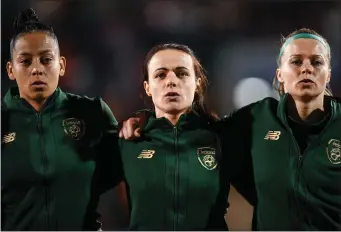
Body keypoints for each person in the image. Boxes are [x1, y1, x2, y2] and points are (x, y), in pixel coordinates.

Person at [120, 28, 341, 230]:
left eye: (316, 62)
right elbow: (189, 126)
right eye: (295, 61)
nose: (306, 68)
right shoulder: (255, 120)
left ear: (329, 74)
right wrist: (147, 120)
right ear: (279, 74)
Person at [1, 8, 124, 230]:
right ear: (11, 69)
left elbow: (126, 171)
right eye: (26, 61)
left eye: (46, 59)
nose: (37, 69)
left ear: (62, 65)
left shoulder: (93, 113)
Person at [117, 43, 238, 230]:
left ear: (197, 83)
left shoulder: (222, 138)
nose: (171, 81)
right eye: (160, 75)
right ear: (147, 87)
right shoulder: (128, 141)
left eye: (182, 73)